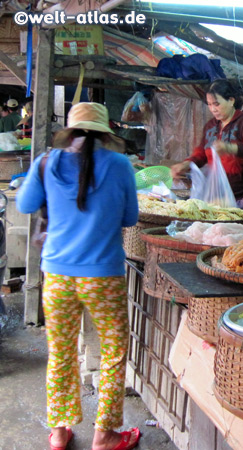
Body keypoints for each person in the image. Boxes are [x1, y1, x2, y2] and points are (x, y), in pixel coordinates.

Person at [16, 102, 141, 450]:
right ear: (105, 133)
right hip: (103, 276)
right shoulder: (120, 165)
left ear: (69, 132)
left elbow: (26, 205)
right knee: (114, 351)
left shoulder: (46, 162)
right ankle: (106, 434)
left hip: (57, 276)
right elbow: (130, 218)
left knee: (60, 351)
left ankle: (59, 431)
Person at [170, 79, 243, 215]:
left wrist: (229, 148)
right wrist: (186, 165)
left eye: (217, 104)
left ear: (231, 100)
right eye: (209, 104)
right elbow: (201, 153)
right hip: (220, 197)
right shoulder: (211, 126)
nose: (213, 109)